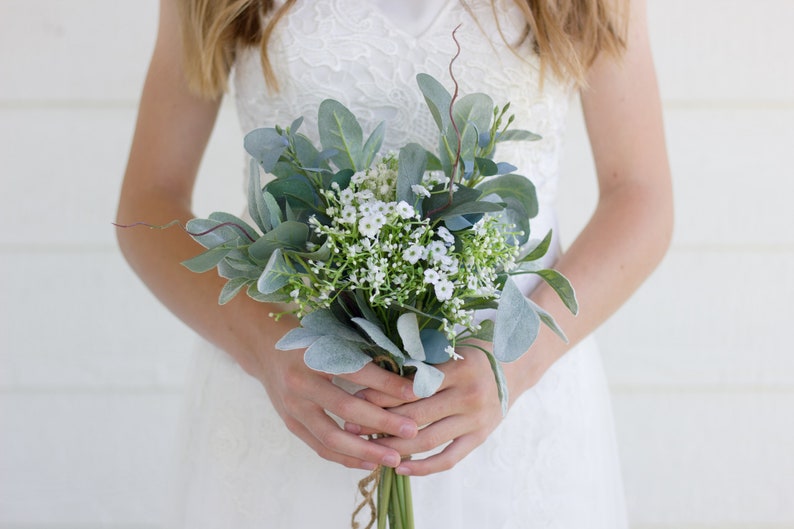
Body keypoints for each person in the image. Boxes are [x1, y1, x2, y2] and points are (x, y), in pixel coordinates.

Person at [116, 0, 672, 527]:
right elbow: (148, 204)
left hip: (513, 413)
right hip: (286, 404)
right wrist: (263, 349)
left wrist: (514, 366)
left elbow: (640, 196)